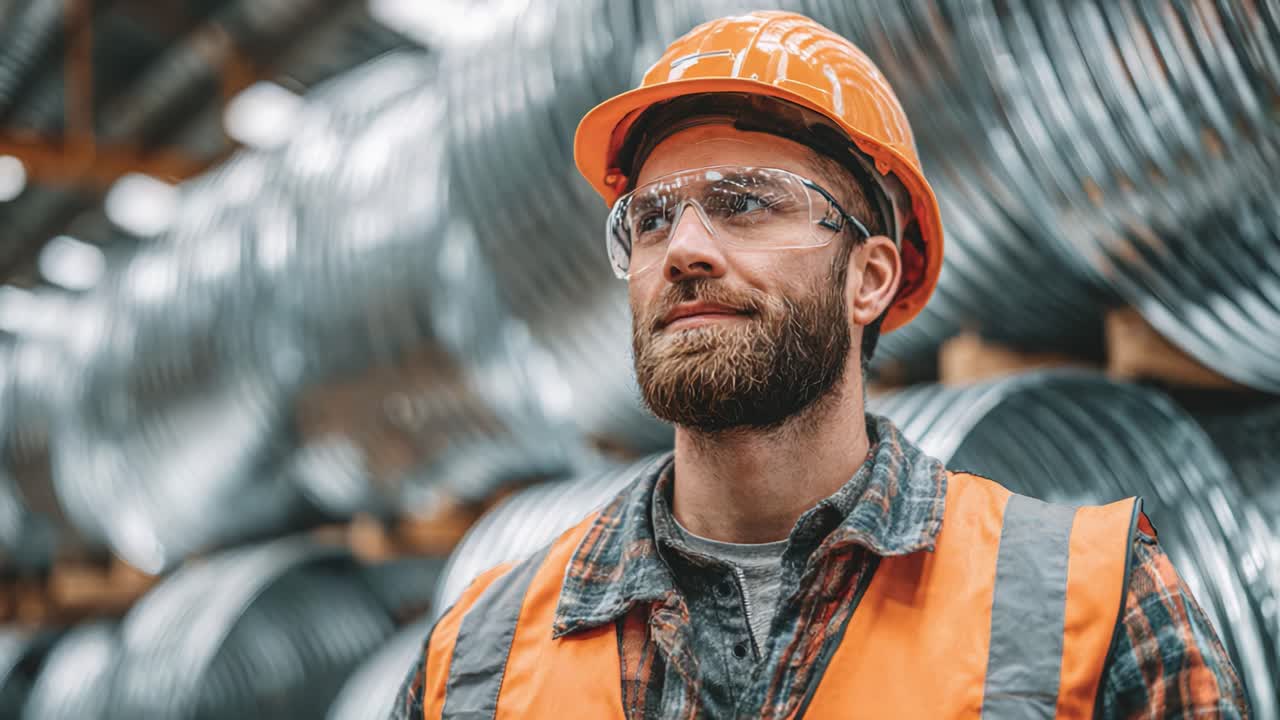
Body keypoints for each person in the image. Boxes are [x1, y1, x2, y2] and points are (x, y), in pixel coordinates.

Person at [393, 11, 1247, 719]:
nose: (683, 248)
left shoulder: (1091, 611)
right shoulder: (476, 661)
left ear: (868, 278)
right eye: (650, 219)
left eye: (745, 202)